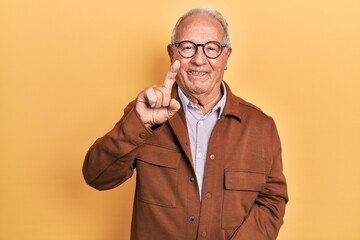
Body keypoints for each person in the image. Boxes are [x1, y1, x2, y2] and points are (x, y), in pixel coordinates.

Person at [83, 7, 288, 240]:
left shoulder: (261, 127)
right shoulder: (145, 114)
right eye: (188, 48)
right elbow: (97, 176)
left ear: (226, 56)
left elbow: (272, 200)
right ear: (172, 53)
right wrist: (139, 125)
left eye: (211, 48)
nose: (199, 60)